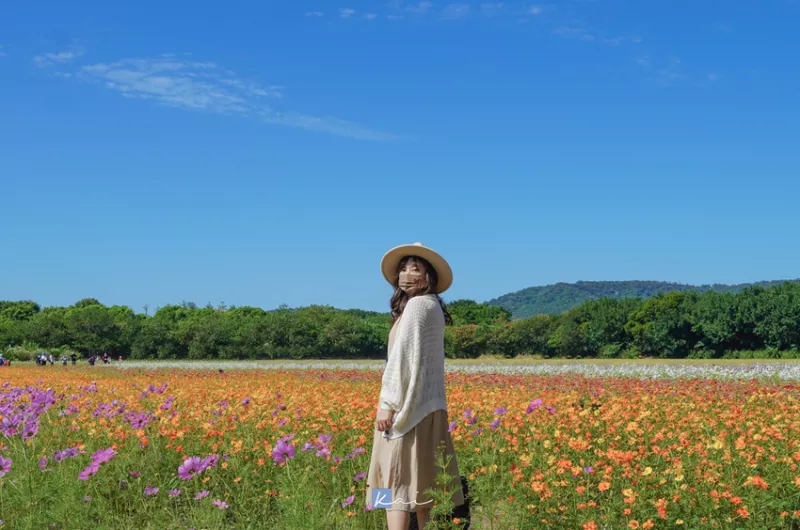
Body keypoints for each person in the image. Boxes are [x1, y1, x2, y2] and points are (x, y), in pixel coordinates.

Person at [366, 242, 465, 530]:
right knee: (424, 485)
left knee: (392, 481)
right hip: (426, 408)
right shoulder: (426, 306)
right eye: (403, 268)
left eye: (415, 269)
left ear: (429, 277)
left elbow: (401, 360)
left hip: (405, 412)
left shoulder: (419, 305)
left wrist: (387, 403)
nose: (407, 274)